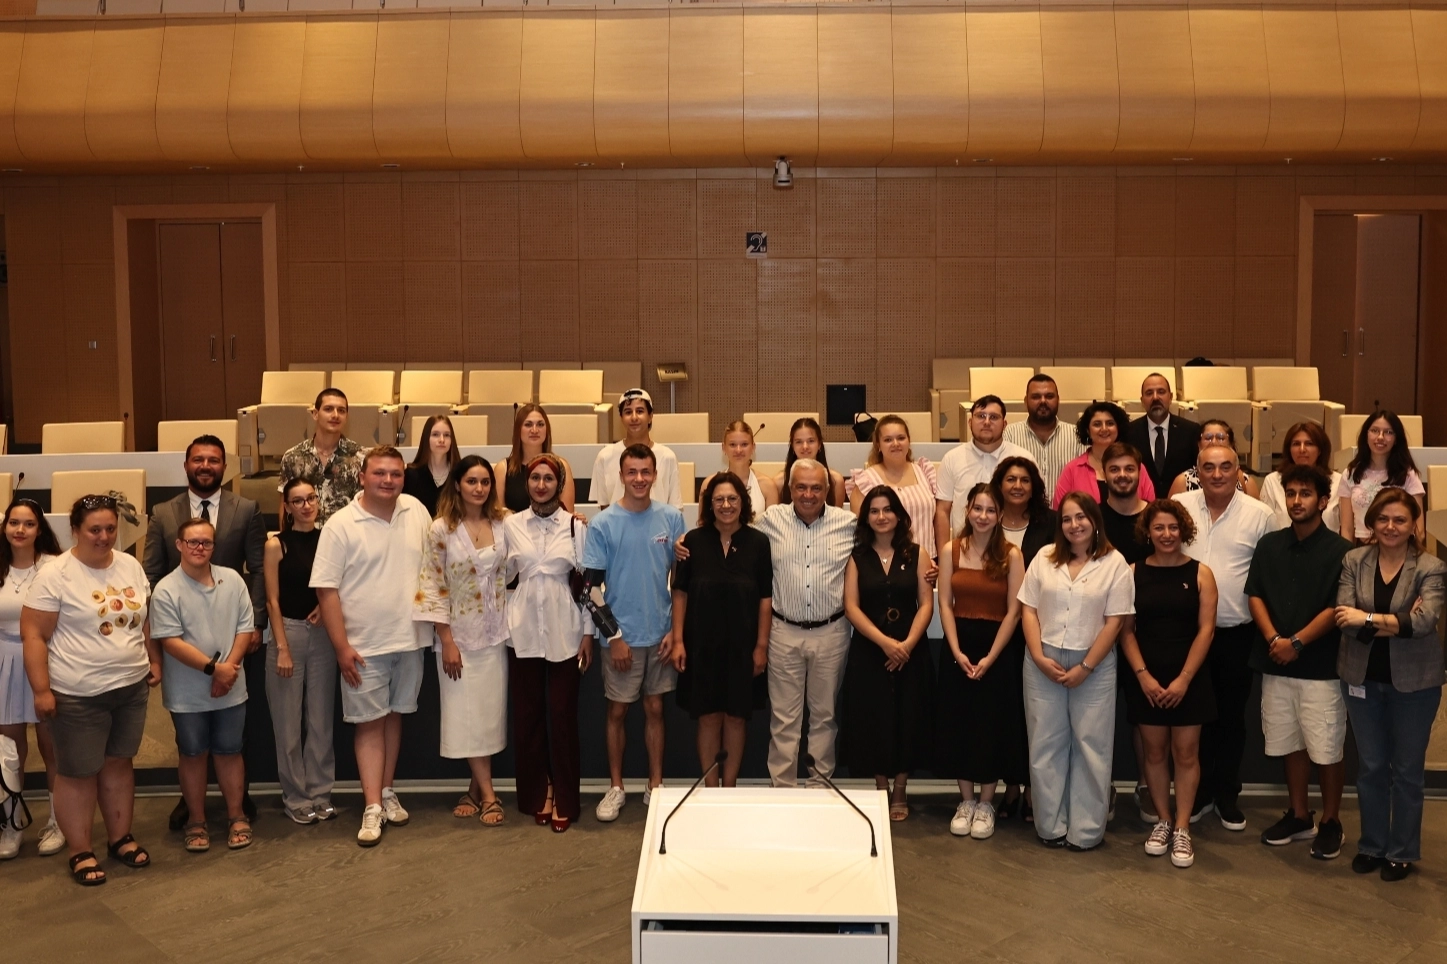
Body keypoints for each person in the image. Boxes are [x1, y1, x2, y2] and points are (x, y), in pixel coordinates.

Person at [22, 495, 161, 886]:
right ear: (75, 531)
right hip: (77, 693)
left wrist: (152, 659)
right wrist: (42, 690)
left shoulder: (130, 565)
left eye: (110, 529)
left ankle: (120, 838)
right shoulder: (55, 574)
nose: (103, 537)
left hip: (129, 687)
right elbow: (33, 635)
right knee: (78, 772)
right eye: (94, 529)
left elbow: (142, 619)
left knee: (119, 762)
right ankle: (80, 849)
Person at [142, 434, 266, 830]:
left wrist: (256, 623)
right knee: (191, 742)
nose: (206, 466)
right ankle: (192, 806)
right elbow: (150, 573)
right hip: (181, 638)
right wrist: (155, 640)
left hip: (233, 636)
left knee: (234, 735)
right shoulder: (163, 513)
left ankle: (237, 802)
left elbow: (258, 568)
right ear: (186, 465)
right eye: (199, 459)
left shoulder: (245, 508)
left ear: (224, 467)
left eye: (214, 460)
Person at [311, 446, 432, 847]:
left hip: (410, 639)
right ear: (362, 477)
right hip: (363, 646)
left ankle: (386, 790)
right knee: (369, 724)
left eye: (396, 474)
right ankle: (371, 806)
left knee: (393, 717)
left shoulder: (416, 511)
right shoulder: (341, 525)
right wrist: (341, 647)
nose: (388, 480)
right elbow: (326, 590)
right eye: (379, 473)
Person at [1334, 488, 1445, 882]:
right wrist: (1398, 621)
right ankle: (1372, 845)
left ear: (1414, 525)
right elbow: (1343, 619)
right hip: (1361, 679)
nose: (1391, 526)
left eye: (1400, 519)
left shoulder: (1431, 567)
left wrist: (1366, 618)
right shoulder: (1354, 560)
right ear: (1371, 523)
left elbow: (1425, 623)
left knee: (1408, 771)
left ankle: (1402, 851)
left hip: (1415, 684)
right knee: (1371, 767)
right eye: (1383, 519)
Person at [1246, 464, 1353, 860]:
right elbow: (1255, 594)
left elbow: (1338, 606)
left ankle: (1331, 821)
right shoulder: (1269, 545)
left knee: (1326, 747)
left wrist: (1297, 642)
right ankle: (1299, 815)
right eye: (1290, 493)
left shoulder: (1342, 552)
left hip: (1321, 667)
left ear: (1323, 501)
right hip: (1276, 661)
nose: (1296, 501)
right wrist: (1274, 639)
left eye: (1305, 494)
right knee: (1289, 742)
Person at [1018, 493, 1134, 851]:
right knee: (1044, 744)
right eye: (1067, 519)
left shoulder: (1115, 563)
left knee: (1091, 746)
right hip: (1043, 660)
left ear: (1094, 520)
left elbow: (1115, 622)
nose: (1074, 525)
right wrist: (1038, 657)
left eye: (1081, 517)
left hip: (1093, 664)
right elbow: (1028, 610)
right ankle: (1050, 826)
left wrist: (1086, 666)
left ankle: (1085, 831)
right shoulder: (1043, 559)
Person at [1172, 445, 1275, 831]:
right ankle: (1197, 793)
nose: (1217, 474)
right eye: (1209, 467)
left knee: (1231, 718)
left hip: (1236, 633)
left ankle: (1227, 794)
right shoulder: (1179, 506)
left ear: (1238, 472)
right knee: (1192, 719)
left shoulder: (1260, 515)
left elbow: (1266, 575)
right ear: (1197, 472)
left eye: (1225, 467)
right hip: (1185, 635)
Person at [583, 444, 687, 820]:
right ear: (621, 476)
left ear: (655, 475)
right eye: (632, 472)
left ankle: (655, 785)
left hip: (660, 635)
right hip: (620, 638)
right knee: (617, 711)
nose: (639, 479)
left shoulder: (672, 519)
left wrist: (675, 631)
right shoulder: (603, 524)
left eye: (646, 472)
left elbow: (681, 583)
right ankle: (616, 787)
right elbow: (590, 588)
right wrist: (615, 637)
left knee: (656, 708)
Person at [1119, 500, 1219, 870]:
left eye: (1173, 528)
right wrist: (1143, 676)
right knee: (1154, 753)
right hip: (1146, 679)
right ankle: (1163, 820)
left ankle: (1182, 827)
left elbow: (1206, 630)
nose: (1166, 534)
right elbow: (1125, 631)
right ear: (1148, 532)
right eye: (1159, 528)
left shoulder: (1201, 574)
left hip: (1189, 678)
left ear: (1183, 531)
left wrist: (1183, 680)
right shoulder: (1132, 573)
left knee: (1187, 754)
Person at [414, 455, 511, 827]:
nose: (479, 488)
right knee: (466, 717)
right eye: (472, 481)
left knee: (487, 718)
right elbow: (432, 585)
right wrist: (447, 639)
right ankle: (489, 795)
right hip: (458, 638)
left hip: (495, 635)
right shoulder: (441, 529)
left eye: (485, 481)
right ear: (457, 484)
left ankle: (474, 789)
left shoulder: (503, 523)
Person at [150, 519, 255, 853]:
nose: (200, 548)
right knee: (193, 753)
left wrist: (228, 671)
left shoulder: (233, 580)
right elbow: (170, 640)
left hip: (231, 685)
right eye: (193, 542)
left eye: (206, 543)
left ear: (214, 546)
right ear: (179, 545)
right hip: (187, 691)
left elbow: (245, 629)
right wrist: (214, 670)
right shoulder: (166, 589)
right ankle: (196, 820)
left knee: (230, 750)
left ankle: (236, 816)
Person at [503, 454, 593, 832]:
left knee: (562, 716)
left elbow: (587, 584)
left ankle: (566, 798)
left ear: (560, 484)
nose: (541, 485)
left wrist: (588, 633)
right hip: (522, 629)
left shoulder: (575, 526)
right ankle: (539, 792)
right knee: (528, 717)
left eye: (549, 479)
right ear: (527, 483)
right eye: (535, 478)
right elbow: (503, 574)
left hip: (564, 629)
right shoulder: (510, 524)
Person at [755, 459, 857, 785]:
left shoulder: (848, 524)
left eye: (816, 488)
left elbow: (886, 545)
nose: (808, 494)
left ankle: (819, 787)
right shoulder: (770, 520)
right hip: (783, 631)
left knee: (825, 716)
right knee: (784, 719)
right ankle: (783, 788)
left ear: (827, 490)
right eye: (801, 487)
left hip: (832, 632)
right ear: (790, 489)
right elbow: (734, 535)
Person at [670, 472, 774, 787]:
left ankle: (729, 788)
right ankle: (711, 788)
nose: (726, 505)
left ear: (743, 502)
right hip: (701, 645)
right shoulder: (692, 542)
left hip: (744, 647)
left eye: (732, 499)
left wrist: (761, 646)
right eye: (719, 499)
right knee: (708, 716)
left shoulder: (758, 542)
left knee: (737, 717)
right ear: (709, 504)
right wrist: (678, 641)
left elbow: (765, 598)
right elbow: (680, 593)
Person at [935, 483, 1025, 839]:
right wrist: (956, 651)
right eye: (977, 508)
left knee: (991, 724)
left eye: (990, 510)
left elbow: (1015, 610)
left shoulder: (1012, 555)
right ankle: (966, 800)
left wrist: (991, 657)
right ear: (967, 511)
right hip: (959, 646)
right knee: (960, 722)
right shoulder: (951, 549)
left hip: (997, 649)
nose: (983, 516)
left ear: (999, 515)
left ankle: (987, 803)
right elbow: (945, 604)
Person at [840, 486, 934, 820]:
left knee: (909, 716)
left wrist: (906, 645)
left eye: (887, 509)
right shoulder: (857, 557)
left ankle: (901, 788)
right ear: (866, 517)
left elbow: (926, 604)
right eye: (874, 511)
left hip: (911, 651)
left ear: (898, 514)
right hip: (870, 651)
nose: (881, 516)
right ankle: (881, 786)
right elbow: (851, 607)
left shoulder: (918, 554)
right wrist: (884, 642)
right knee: (873, 718)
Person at [262, 478, 338, 825]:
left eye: (311, 498)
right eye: (298, 501)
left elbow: (339, 584)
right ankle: (295, 796)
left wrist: (324, 608)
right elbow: (272, 600)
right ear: (288, 507)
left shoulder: (329, 539)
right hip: (287, 633)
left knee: (320, 721)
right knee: (288, 724)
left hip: (322, 634)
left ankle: (320, 793)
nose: (306, 506)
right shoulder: (276, 544)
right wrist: (282, 648)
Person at [0, 500, 63, 860]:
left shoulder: (54, 567)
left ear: (40, 529)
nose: (20, 530)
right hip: (3, 661)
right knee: (8, 751)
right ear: (5, 527)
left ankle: (58, 821)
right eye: (14, 523)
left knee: (51, 747)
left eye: (28, 524)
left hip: (46, 660)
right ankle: (11, 823)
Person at [934, 396, 1035, 561]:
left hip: (1011, 554)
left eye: (993, 417)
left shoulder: (1023, 458)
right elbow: (942, 511)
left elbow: (1034, 506)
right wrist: (944, 558)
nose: (987, 422)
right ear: (970, 422)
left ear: (1004, 424)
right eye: (981, 416)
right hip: (964, 555)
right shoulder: (952, 459)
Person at [848, 415, 941, 561]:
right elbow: (861, 533)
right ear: (878, 445)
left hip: (929, 563)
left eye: (901, 438)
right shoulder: (865, 481)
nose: (895, 444)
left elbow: (938, 521)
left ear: (909, 441)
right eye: (888, 440)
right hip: (887, 565)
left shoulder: (925, 472)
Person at [279, 387, 365, 526]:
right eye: (328, 409)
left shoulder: (360, 456)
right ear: (315, 414)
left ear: (346, 417)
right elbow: (285, 509)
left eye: (341, 410)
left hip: (345, 535)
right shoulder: (293, 457)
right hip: (304, 536)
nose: (335, 415)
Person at [1337, 410, 1425, 544]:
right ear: (1366, 435)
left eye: (1388, 432)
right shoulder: (1350, 474)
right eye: (1374, 431)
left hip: (1399, 548)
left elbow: (1419, 529)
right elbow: (1347, 530)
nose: (1380, 437)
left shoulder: (1408, 475)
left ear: (1396, 439)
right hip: (1362, 548)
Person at [1054, 401, 1156, 509]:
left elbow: (1151, 510)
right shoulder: (1072, 470)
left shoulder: (1135, 467)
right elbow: (1059, 511)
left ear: (1118, 428)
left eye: (1110, 423)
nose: (1104, 429)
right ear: (1088, 430)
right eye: (1097, 424)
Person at [590, 389, 683, 507]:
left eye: (640, 411)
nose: (634, 417)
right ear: (621, 418)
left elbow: (674, 507)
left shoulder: (667, 457)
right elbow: (604, 507)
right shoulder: (604, 456)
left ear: (650, 416)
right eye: (628, 412)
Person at [1003, 374, 1084, 495]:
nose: (1043, 401)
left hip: (1066, 507)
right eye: (1036, 397)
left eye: (1049, 396)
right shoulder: (1009, 434)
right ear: (1026, 401)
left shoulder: (1076, 435)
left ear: (1058, 400)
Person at [1127, 372, 1202, 496]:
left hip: (1181, 504)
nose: (1155, 398)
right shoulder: (1129, 432)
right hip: (1143, 504)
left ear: (1170, 397)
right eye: (1149, 393)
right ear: (1142, 400)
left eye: (1161, 392)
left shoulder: (1191, 431)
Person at [1261, 421, 1343, 534]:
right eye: (1296, 444)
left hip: (1328, 544)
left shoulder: (1339, 481)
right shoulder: (1272, 480)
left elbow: (1346, 528)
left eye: (1309, 443)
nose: (1302, 449)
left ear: (1320, 450)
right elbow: (1265, 524)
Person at [500, 404, 577, 514]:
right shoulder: (502, 468)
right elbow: (498, 516)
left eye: (540, 424)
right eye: (528, 424)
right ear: (518, 430)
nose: (534, 430)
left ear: (547, 429)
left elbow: (567, 515)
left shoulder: (562, 466)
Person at [701, 420, 780, 516]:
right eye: (732, 445)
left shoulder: (768, 487)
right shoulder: (708, 484)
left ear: (753, 447)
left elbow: (772, 524)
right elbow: (703, 523)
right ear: (724, 448)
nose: (738, 450)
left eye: (744, 444)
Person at [1167, 420, 1261, 499]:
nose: (1214, 442)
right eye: (1208, 438)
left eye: (1220, 437)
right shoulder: (1182, 482)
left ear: (1231, 444)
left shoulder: (1246, 482)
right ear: (1199, 444)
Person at [992, 457, 1056, 568]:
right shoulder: (988, 520)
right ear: (999, 486)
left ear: (1033, 488)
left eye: (1025, 480)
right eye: (1011, 479)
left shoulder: (1052, 522)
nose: (1018, 486)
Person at [775, 417, 848, 509]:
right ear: (792, 446)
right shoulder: (779, 482)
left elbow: (836, 516)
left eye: (811, 441)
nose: (805, 446)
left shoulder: (836, 481)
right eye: (799, 442)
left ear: (819, 444)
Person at [1099, 442, 1151, 565]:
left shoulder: (1154, 516)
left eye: (1129, 469)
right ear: (1104, 475)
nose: (1122, 475)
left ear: (1139, 473)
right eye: (1114, 469)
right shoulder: (1094, 518)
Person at [403, 414, 461, 517]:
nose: (442, 440)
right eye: (435, 434)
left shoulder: (460, 474)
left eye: (447, 435)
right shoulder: (410, 475)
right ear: (426, 438)